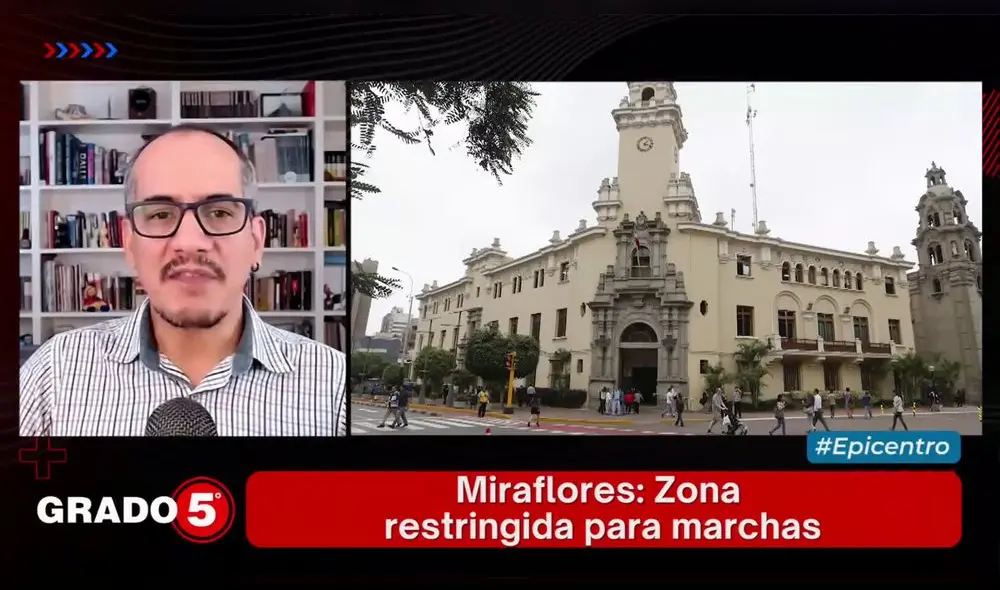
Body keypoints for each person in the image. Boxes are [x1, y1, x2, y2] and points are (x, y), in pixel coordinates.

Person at [18, 125, 346, 437]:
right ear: (130, 244)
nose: (190, 241)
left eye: (219, 213)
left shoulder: (334, 387)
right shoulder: (54, 373)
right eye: (160, 214)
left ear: (256, 241)